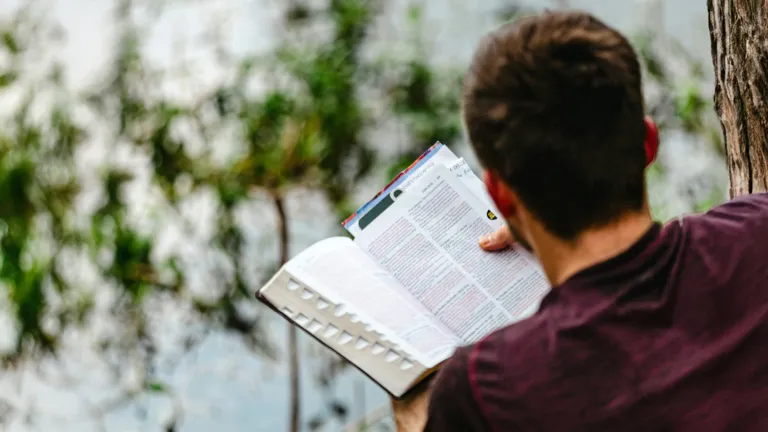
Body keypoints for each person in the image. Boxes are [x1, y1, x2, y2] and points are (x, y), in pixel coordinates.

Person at [391, 9, 768, 432]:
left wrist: (416, 415)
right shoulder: (757, 232)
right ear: (647, 144)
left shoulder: (484, 390)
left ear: (500, 194)